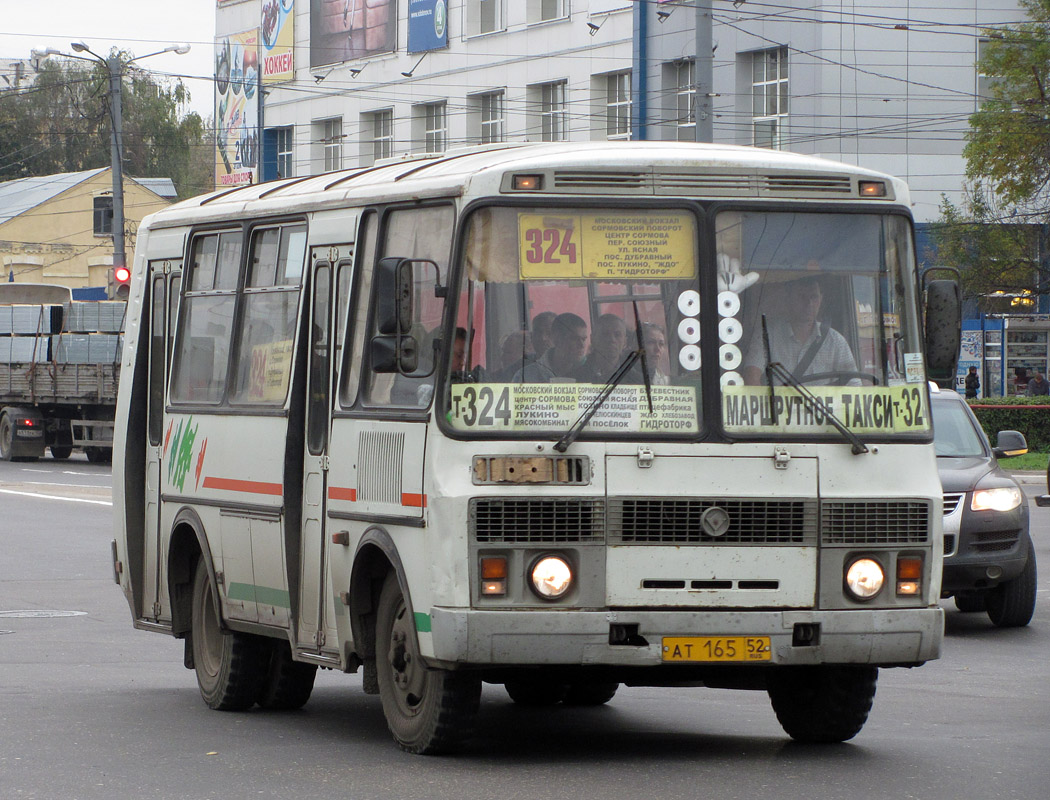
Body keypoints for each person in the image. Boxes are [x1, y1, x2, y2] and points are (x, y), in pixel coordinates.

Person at [742, 275, 857, 385]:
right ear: (788, 299)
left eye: (814, 297)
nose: (809, 303)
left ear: (821, 299)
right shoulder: (767, 335)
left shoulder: (836, 342)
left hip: (822, 406)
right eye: (802, 296)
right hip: (776, 406)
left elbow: (854, 386)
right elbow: (751, 376)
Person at [515, 312, 589, 382]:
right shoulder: (526, 377)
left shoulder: (591, 374)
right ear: (556, 339)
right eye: (574, 339)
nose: (581, 345)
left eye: (583, 339)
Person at [580, 313, 628, 381]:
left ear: (625, 342)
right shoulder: (574, 378)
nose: (612, 339)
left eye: (617, 335)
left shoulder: (638, 381)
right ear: (592, 339)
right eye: (605, 334)